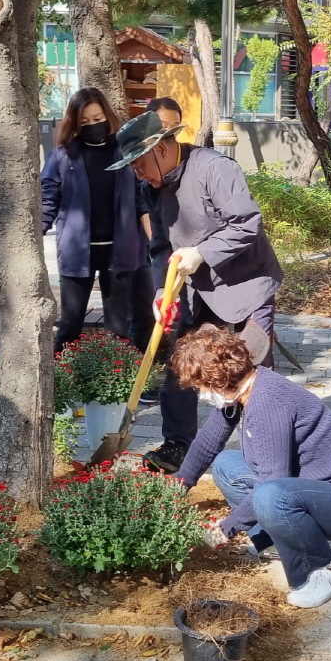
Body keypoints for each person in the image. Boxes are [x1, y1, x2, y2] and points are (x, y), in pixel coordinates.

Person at [111, 110, 283, 473]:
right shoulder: (150, 188)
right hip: (193, 290)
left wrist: (202, 253)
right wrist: (163, 290)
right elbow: (159, 246)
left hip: (245, 286)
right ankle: (178, 445)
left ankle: (269, 452)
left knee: (250, 366)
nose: (137, 174)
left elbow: (247, 224)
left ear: (161, 148)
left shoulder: (214, 169)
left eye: (139, 164)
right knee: (181, 364)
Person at [171, 326, 331, 609]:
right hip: (312, 486)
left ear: (217, 380)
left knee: (271, 496)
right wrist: (175, 488)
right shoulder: (242, 390)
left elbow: (272, 481)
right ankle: (274, 540)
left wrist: (225, 529)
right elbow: (207, 444)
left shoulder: (267, 402)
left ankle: (324, 569)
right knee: (225, 465)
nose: (200, 393)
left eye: (200, 386)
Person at [41, 88, 148, 351]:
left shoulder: (126, 153)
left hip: (121, 252)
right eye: (84, 122)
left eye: (97, 118)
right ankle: (61, 381)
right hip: (77, 253)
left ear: (107, 116)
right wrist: (38, 231)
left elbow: (141, 199)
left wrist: (155, 240)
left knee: (118, 328)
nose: (93, 126)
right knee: (69, 324)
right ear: (74, 124)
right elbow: (48, 198)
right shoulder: (64, 156)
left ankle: (118, 385)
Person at [133, 97, 187, 352]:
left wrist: (198, 254)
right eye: (163, 127)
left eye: (174, 128)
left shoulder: (207, 167)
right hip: (170, 264)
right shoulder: (145, 175)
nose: (168, 135)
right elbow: (159, 240)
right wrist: (161, 290)